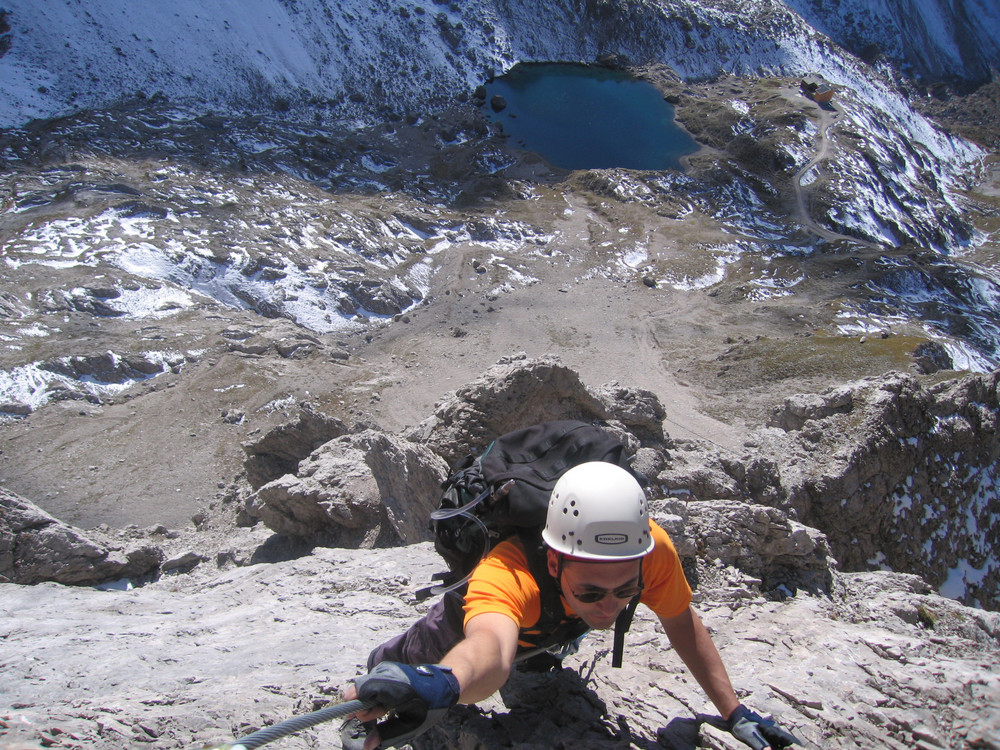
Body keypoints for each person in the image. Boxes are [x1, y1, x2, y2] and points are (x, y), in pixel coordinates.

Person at [342, 461, 801, 750]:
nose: (611, 608)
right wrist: (442, 683)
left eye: (626, 592)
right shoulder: (509, 573)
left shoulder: (651, 551)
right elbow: (491, 651)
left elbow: (681, 621)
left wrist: (734, 712)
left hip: (552, 624)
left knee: (550, 643)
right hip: (472, 625)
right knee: (391, 673)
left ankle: (546, 653)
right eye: (592, 593)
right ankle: (373, 680)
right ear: (557, 562)